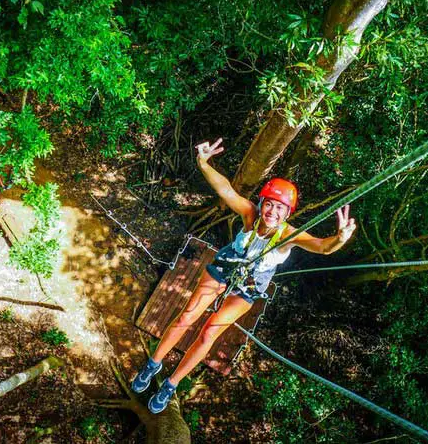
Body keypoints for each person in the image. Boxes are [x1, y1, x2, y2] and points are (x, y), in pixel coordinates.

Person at [131, 138, 356, 414]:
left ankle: (171, 384)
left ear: (288, 213)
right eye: (269, 204)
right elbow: (226, 190)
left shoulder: (287, 235)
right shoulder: (251, 215)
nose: (272, 212)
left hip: (250, 284)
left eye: (279, 208)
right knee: (188, 315)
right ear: (262, 203)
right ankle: (153, 364)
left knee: (208, 334)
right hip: (229, 265)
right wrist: (203, 162)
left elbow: (322, 247)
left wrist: (340, 239)